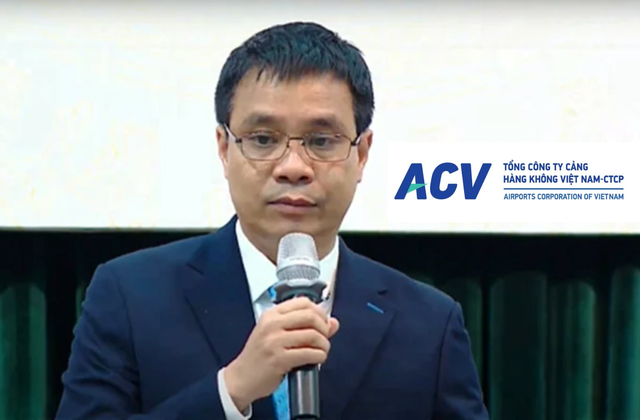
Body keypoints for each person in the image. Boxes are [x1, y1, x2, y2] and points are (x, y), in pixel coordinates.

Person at [56, 22, 489, 420]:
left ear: (361, 154)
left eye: (322, 140)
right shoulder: (129, 295)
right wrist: (231, 391)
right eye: (263, 139)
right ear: (224, 148)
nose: (293, 167)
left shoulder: (429, 324)